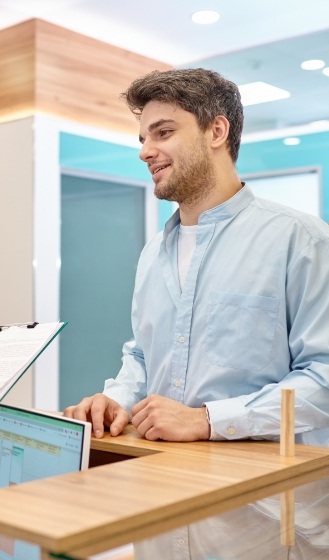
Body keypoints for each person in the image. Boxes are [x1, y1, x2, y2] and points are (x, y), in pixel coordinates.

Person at [64, 68, 329, 446]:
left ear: (217, 132)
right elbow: (141, 355)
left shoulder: (302, 241)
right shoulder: (153, 252)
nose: (144, 151)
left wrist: (209, 420)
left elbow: (323, 377)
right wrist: (116, 399)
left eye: (164, 132)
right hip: (165, 478)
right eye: (143, 138)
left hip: (266, 496)